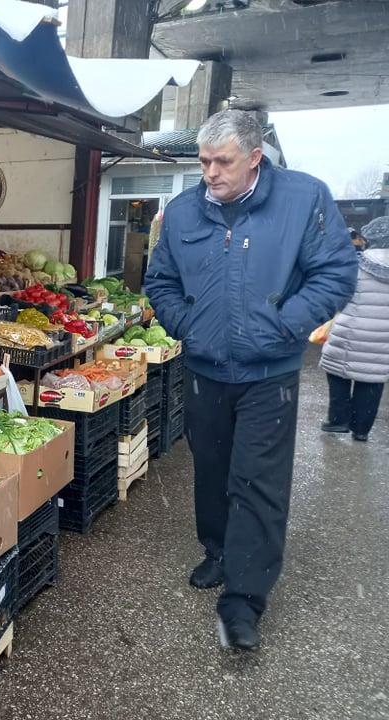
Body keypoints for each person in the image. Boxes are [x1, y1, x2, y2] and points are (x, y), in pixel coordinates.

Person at [144, 109, 358, 651]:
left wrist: (286, 324)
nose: (210, 173)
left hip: (271, 374)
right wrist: (186, 325)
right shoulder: (184, 211)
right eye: (203, 162)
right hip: (205, 369)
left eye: (222, 162)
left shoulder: (303, 199)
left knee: (257, 481)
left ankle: (243, 601)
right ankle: (216, 551)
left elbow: (336, 271)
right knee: (212, 470)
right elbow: (160, 278)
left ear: (255, 158)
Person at [320, 215, 389, 441]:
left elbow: (337, 298)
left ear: (369, 239)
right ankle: (361, 430)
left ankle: (338, 421)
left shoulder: (354, 265)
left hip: (349, 333)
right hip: (383, 340)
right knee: (372, 379)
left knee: (338, 373)